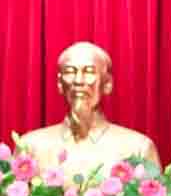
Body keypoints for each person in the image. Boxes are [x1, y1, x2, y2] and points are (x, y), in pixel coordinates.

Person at [16, 42, 161, 178]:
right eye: (70, 71)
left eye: (89, 71)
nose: (78, 80)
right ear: (60, 84)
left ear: (107, 83)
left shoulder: (137, 147)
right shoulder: (31, 147)